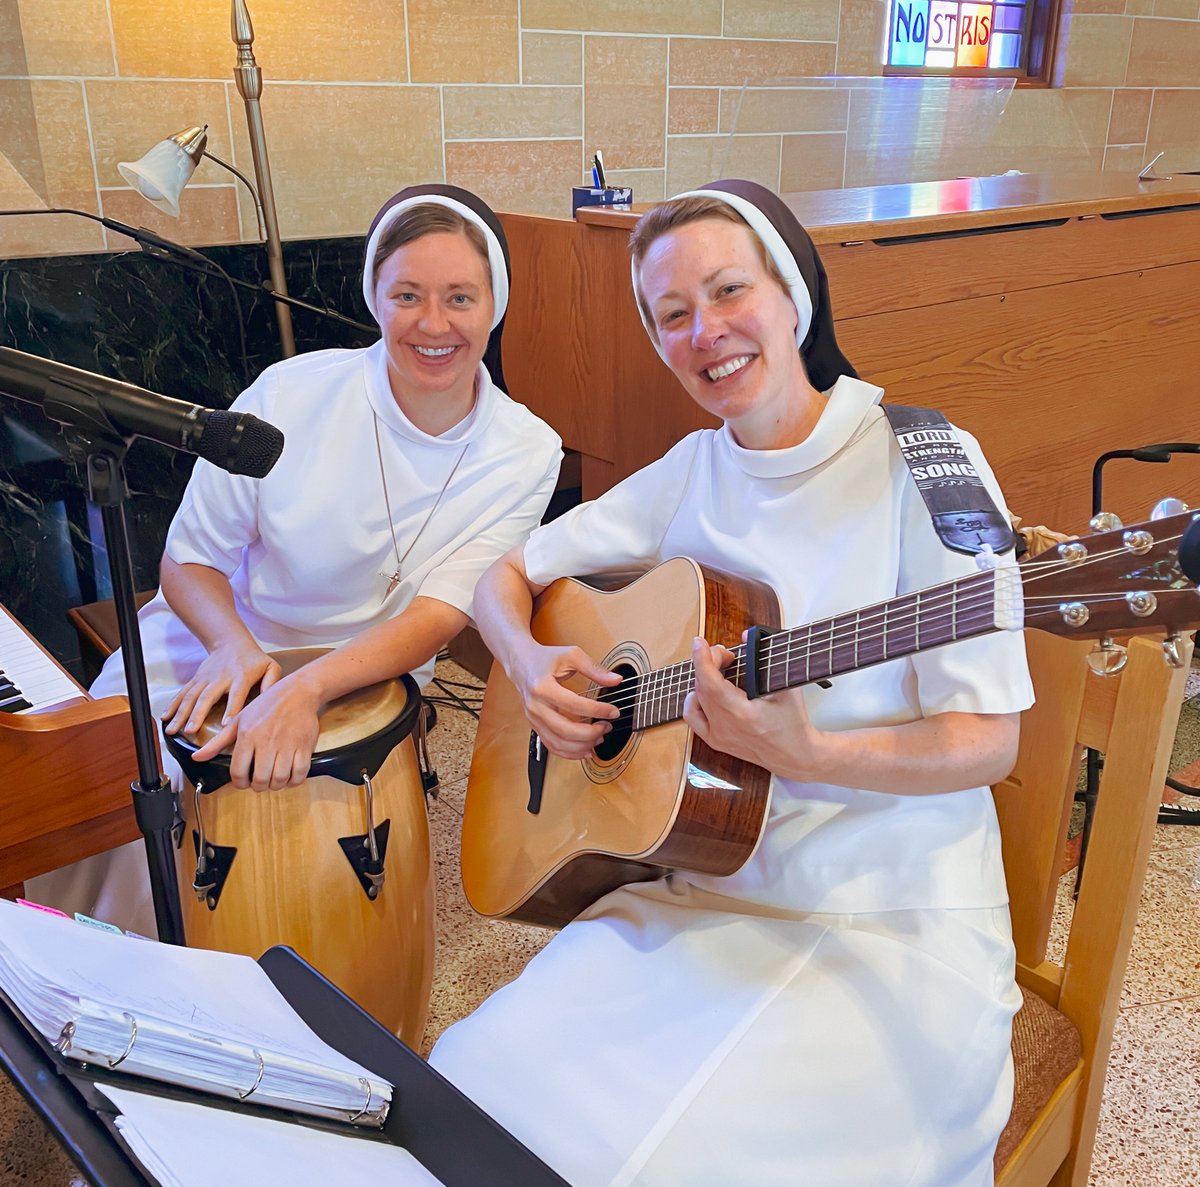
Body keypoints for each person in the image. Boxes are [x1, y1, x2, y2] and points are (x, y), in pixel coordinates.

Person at [429, 180, 1034, 1187]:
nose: (705, 331)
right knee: (472, 1081)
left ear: (793, 295)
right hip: (699, 891)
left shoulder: (924, 460)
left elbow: (991, 741)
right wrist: (531, 664)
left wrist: (815, 754)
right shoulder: (689, 470)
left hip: (887, 929)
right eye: (672, 315)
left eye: (728, 291)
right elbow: (497, 574)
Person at [27, 183, 562, 936]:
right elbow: (189, 560)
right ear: (374, 296)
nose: (434, 324)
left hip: (364, 670)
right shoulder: (291, 393)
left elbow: (443, 612)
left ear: (494, 304)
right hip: (219, 637)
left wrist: (303, 690)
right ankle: (86, 977)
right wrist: (232, 647)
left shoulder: (524, 449)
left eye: (460, 298)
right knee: (117, 773)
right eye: (407, 294)